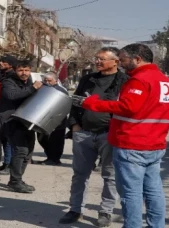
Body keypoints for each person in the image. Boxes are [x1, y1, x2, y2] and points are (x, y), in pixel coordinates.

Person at [72, 43, 169, 228]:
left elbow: (127, 107)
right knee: (154, 191)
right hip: (154, 144)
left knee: (131, 193)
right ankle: (156, 225)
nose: (121, 64)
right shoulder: (163, 80)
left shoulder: (139, 80)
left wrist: (94, 104)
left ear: (137, 59)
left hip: (133, 144)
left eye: (123, 60)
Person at [59, 47, 128, 227]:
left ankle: (106, 211)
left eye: (102, 59)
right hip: (84, 133)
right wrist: (75, 125)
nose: (97, 62)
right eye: (96, 58)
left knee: (110, 176)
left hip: (110, 135)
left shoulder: (125, 81)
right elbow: (75, 102)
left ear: (115, 61)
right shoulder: (87, 79)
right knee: (80, 174)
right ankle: (75, 209)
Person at [2, 60, 43, 193]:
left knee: (28, 152)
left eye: (26, 70)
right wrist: (33, 88)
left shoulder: (29, 82)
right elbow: (11, 95)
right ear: (15, 70)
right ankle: (15, 181)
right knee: (21, 151)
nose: (24, 73)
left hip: (27, 120)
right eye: (21, 70)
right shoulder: (8, 82)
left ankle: (17, 179)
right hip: (12, 120)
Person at [0, 55, 18, 175]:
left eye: (3, 62)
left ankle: (9, 165)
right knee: (4, 139)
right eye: (0, 61)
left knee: (9, 140)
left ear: (10, 65)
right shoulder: (2, 75)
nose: (0, 63)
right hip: (2, 110)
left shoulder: (13, 77)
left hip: (10, 111)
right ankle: (6, 163)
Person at [33, 71, 68, 166]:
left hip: (57, 121)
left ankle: (55, 159)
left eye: (49, 80)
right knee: (42, 139)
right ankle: (50, 157)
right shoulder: (42, 89)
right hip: (43, 120)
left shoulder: (60, 90)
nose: (47, 82)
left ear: (55, 80)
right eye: (45, 80)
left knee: (56, 141)